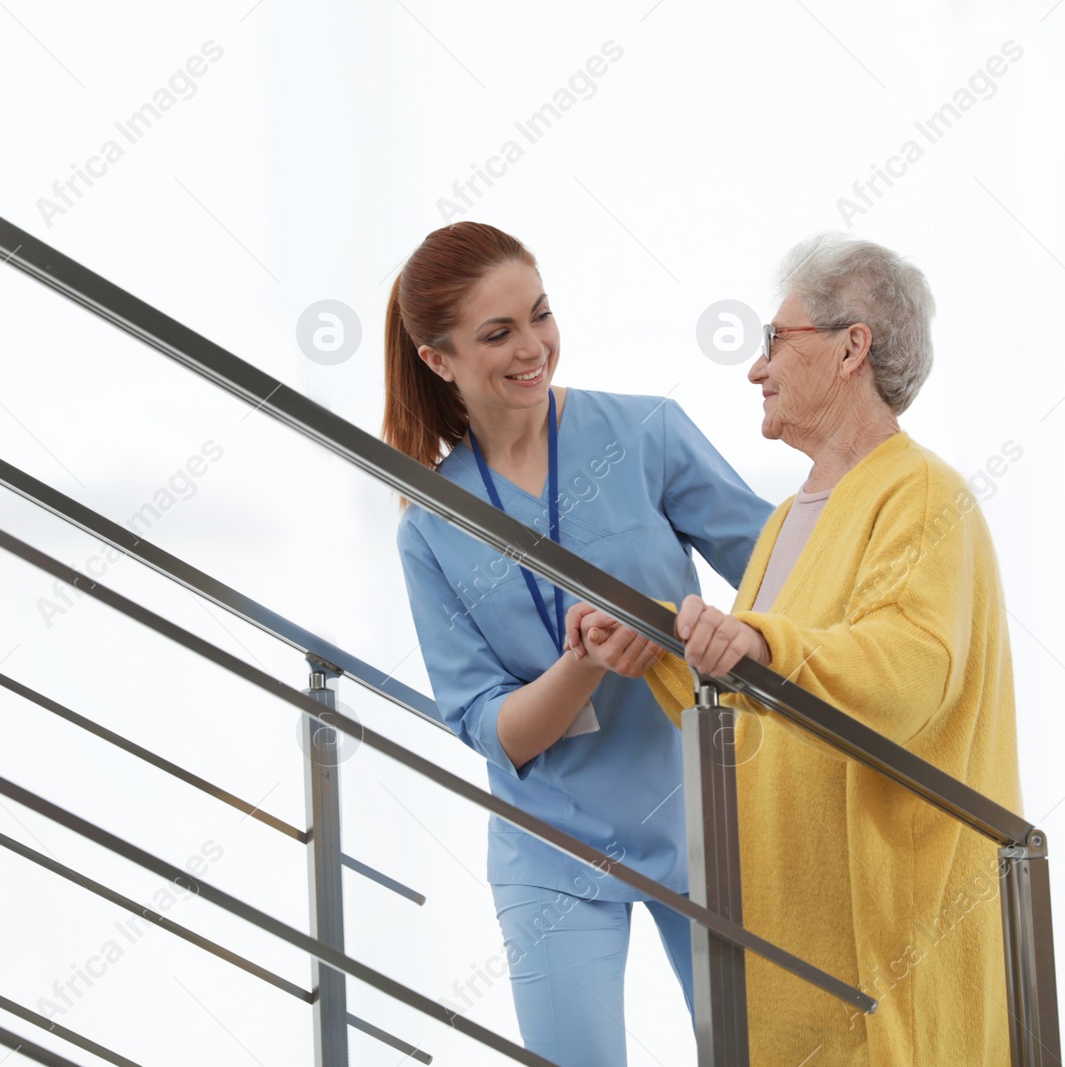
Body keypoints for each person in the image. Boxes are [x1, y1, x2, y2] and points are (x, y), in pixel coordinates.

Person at [568, 232, 1023, 1066]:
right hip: (785, 944)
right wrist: (661, 645)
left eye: (775, 340)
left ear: (854, 347)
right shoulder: (788, 519)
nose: (756, 368)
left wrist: (760, 639)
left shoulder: (920, 492)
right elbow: (759, 695)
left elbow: (909, 670)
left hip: (879, 949)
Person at [386, 221, 773, 1067]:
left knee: (763, 1052)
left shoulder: (647, 435)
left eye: (540, 315)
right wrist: (581, 664)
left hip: (701, 821)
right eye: (498, 333)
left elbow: (785, 577)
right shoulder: (431, 529)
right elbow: (495, 731)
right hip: (551, 848)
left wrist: (734, 630)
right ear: (437, 358)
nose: (533, 348)